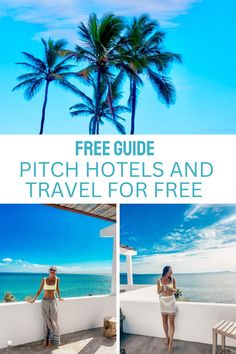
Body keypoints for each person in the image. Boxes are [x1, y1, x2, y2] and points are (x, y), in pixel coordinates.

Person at [29, 266, 63, 347]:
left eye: (54, 270)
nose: (52, 271)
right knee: (46, 320)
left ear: (56, 272)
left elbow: (57, 289)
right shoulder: (44, 279)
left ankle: (54, 339)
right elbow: (40, 290)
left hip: (53, 301)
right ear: (49, 271)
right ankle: (46, 339)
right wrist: (34, 300)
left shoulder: (57, 279)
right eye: (51, 270)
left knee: (54, 320)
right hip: (45, 301)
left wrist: (59, 298)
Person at [157, 266, 177, 353]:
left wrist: (170, 288)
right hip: (163, 302)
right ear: (166, 272)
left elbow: (175, 290)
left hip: (171, 301)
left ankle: (170, 345)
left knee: (171, 323)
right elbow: (157, 292)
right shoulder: (159, 280)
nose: (172, 272)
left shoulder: (173, 280)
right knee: (164, 321)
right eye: (170, 270)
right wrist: (161, 289)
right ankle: (166, 337)